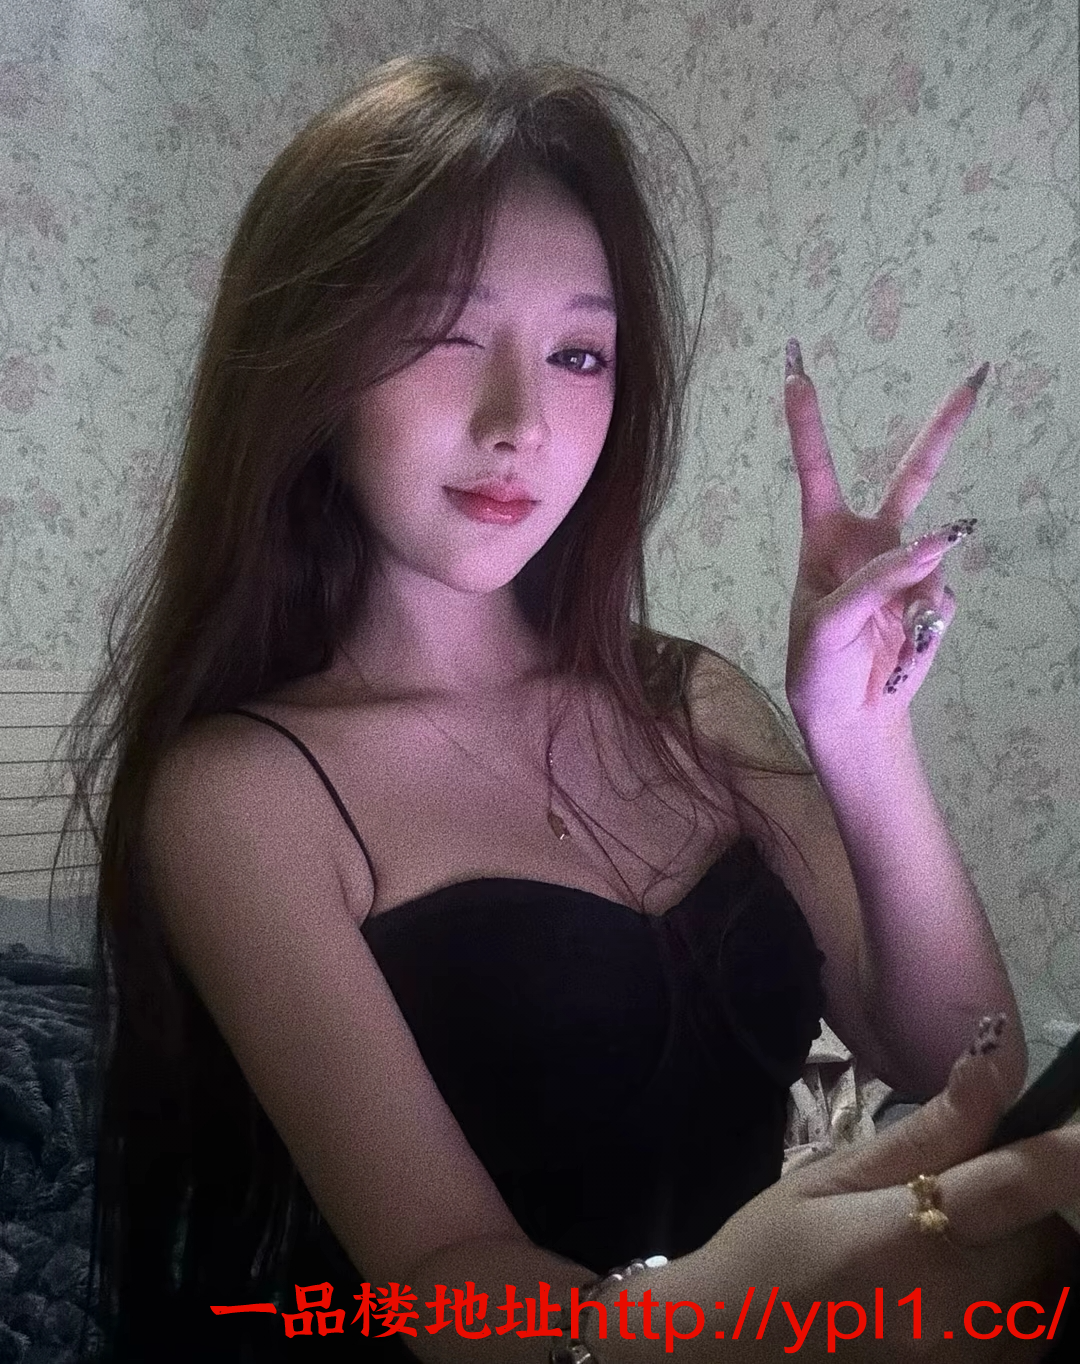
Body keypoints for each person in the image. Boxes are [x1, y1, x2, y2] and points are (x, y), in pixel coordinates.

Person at [61, 47, 1079, 1364]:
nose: (520, 420)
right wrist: (709, 1311)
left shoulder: (691, 699)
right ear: (310, 362)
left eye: (580, 352)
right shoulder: (239, 796)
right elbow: (442, 1268)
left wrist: (864, 736)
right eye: (440, 330)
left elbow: (957, 1066)